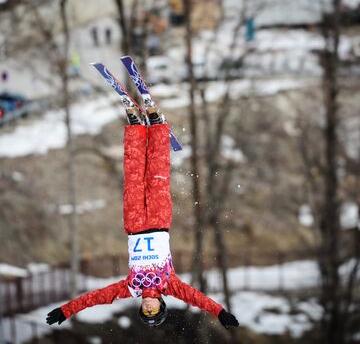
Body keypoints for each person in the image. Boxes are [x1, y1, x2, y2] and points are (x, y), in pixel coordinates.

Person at [46, 96, 239, 329]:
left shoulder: (131, 287)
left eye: (145, 312)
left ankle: (135, 127)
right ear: (161, 304)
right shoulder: (170, 285)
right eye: (153, 311)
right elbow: (197, 299)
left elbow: (97, 297)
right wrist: (220, 313)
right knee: (157, 174)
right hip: (158, 220)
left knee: (134, 175)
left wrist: (67, 310)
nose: (148, 309)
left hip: (134, 224)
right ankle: (157, 125)